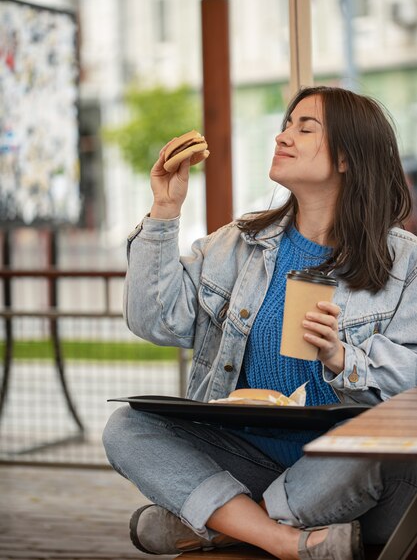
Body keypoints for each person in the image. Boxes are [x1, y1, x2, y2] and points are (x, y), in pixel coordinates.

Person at [103, 86, 417, 560]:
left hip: (346, 469)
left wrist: (342, 357)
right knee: (127, 427)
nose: (282, 135)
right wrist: (165, 211)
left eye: (304, 127)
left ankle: (224, 524)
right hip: (248, 458)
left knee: (373, 444)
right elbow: (157, 321)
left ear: (348, 158)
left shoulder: (405, 263)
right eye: (286, 124)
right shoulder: (239, 243)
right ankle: (287, 540)